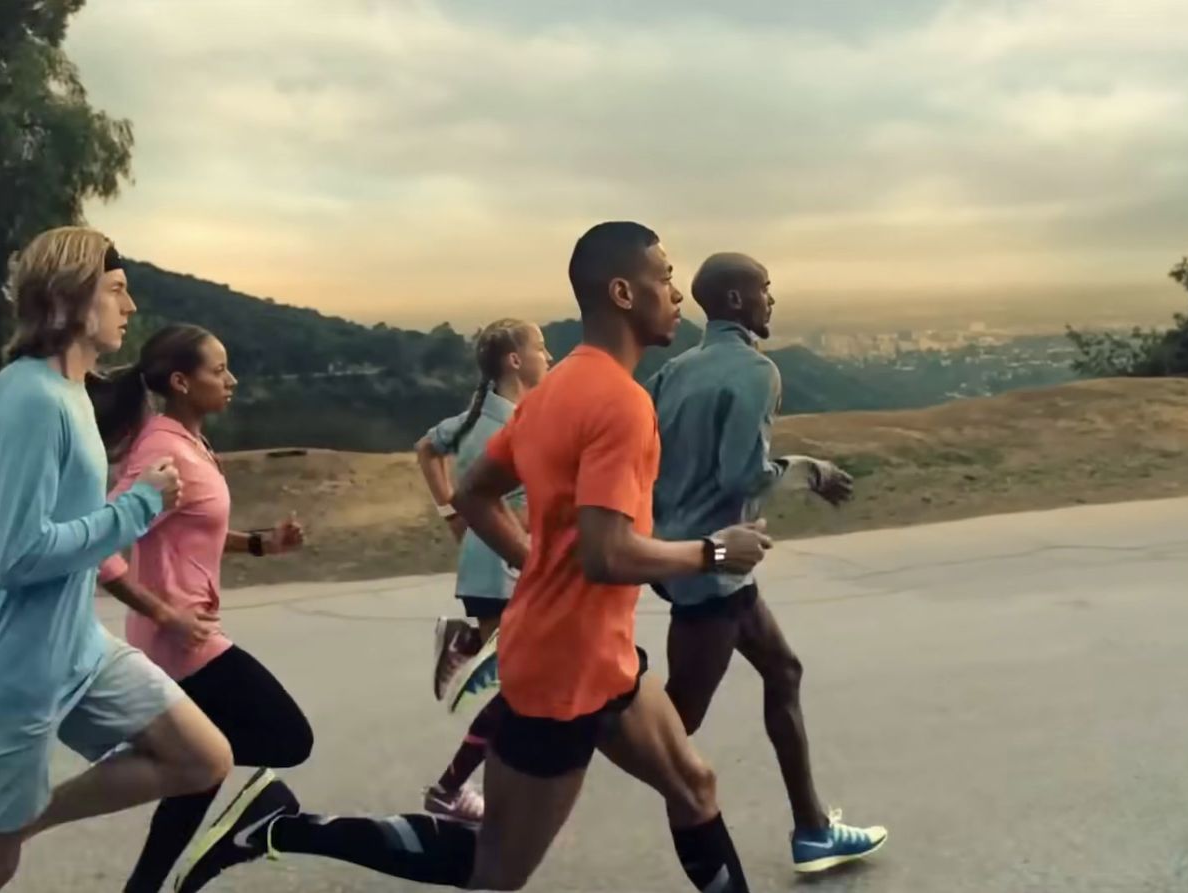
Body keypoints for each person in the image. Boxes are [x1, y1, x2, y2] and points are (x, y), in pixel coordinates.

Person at [170, 221, 774, 893]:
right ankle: (281, 823)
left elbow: (474, 491)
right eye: (664, 277)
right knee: (495, 867)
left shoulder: (558, 389)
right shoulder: (620, 403)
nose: (677, 293)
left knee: (695, 783)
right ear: (624, 291)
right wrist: (716, 550)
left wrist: (535, 556)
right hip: (562, 669)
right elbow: (607, 554)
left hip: (600, 653)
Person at [0, 228, 233, 893]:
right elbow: (19, 555)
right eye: (117, 290)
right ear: (71, 299)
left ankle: (20, 817)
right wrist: (137, 507)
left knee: (202, 755)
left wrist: (21, 516)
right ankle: (2, 827)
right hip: (13, 662)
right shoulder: (32, 395)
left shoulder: (65, 390)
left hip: (75, 645)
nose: (129, 305)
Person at [646, 251, 886, 874]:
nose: (770, 301)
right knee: (668, 724)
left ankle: (811, 830)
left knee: (783, 671)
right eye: (764, 291)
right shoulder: (756, 371)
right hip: (712, 567)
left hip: (690, 559)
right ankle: (536, 748)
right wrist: (809, 470)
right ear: (734, 301)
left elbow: (648, 457)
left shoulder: (674, 370)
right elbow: (741, 472)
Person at [85, 322, 312, 892]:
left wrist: (260, 543)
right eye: (219, 370)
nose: (231, 380)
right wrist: (168, 615)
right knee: (288, 739)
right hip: (182, 644)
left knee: (201, 775)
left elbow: (190, 526)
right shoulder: (161, 451)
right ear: (182, 382)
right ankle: (241, 811)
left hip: (184, 638)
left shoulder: (186, 440)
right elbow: (99, 552)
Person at [415, 318, 552, 821]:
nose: (549, 356)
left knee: (524, 678)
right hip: (500, 568)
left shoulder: (480, 416)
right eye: (541, 347)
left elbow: (427, 448)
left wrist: (452, 510)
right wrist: (458, 510)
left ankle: (466, 644)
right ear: (514, 361)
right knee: (520, 685)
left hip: (493, 565)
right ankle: (452, 788)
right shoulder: (510, 425)